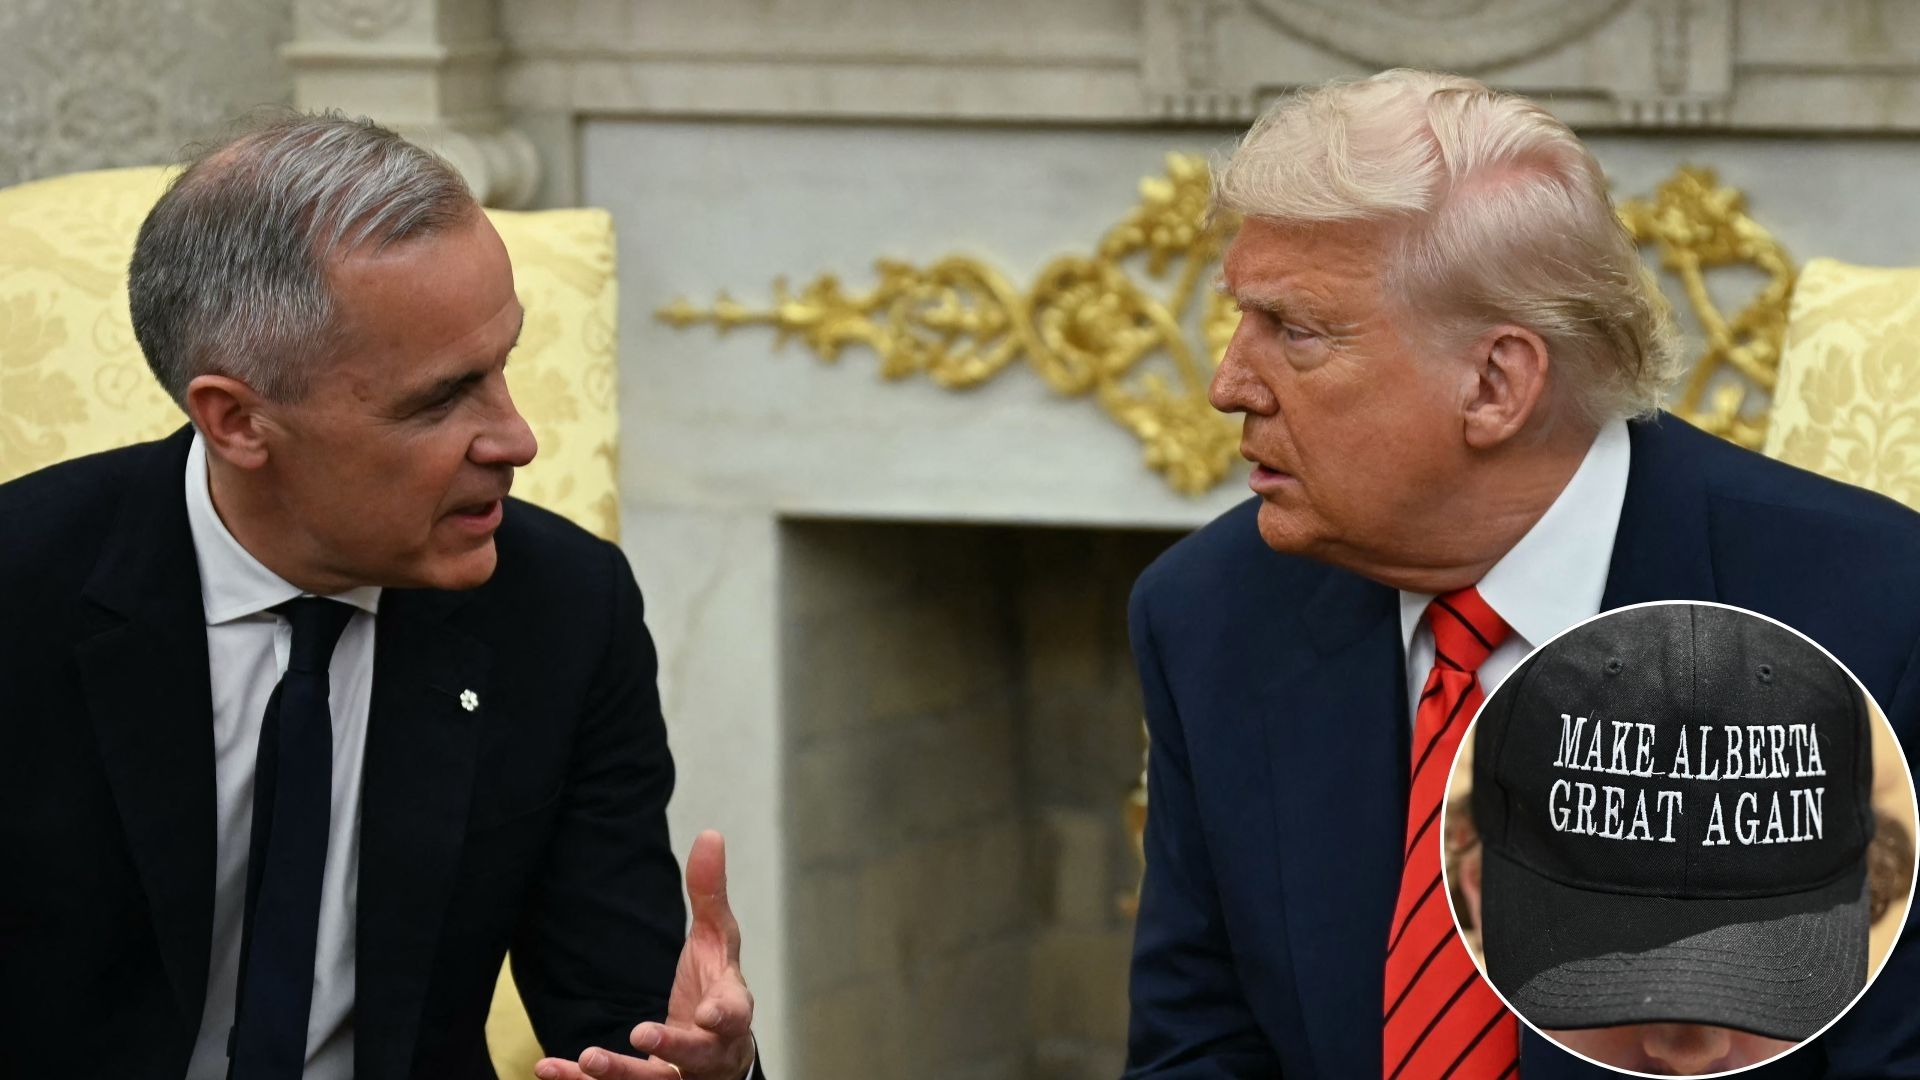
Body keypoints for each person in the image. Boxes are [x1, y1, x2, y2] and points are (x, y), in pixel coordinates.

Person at [1123, 69, 1920, 1079]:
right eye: (1242, 319)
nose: (1228, 385)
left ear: (1496, 383)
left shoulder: (1876, 624)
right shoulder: (1210, 615)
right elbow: (1199, 1047)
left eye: (1296, 332)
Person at [0, 113, 759, 1080]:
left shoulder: (564, 608)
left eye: (504, 367)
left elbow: (624, 1020)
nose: (517, 440)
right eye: (439, 400)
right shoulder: (23, 589)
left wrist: (705, 1068)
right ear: (236, 421)